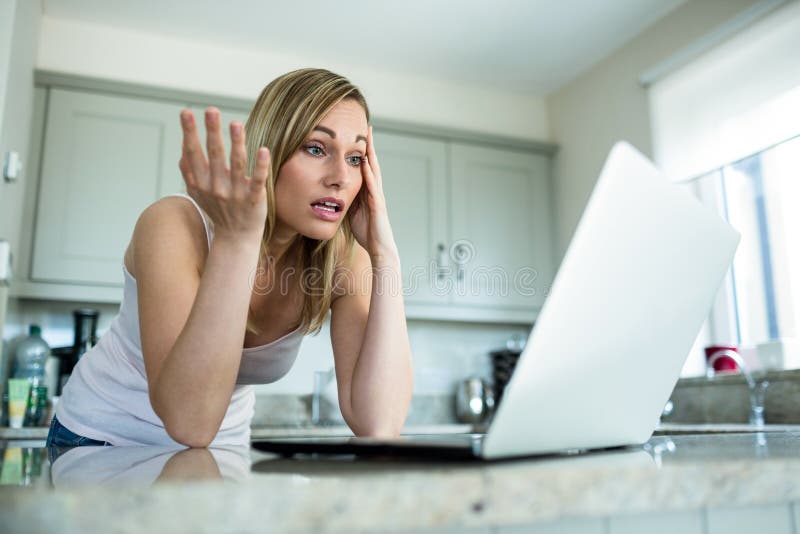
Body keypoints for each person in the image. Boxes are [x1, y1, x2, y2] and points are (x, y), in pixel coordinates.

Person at [46, 68, 414, 449]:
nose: (341, 177)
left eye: (355, 158)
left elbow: (380, 424)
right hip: (100, 439)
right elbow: (189, 421)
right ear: (269, 151)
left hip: (219, 448)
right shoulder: (173, 225)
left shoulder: (341, 259)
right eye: (317, 149)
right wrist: (238, 240)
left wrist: (385, 254)